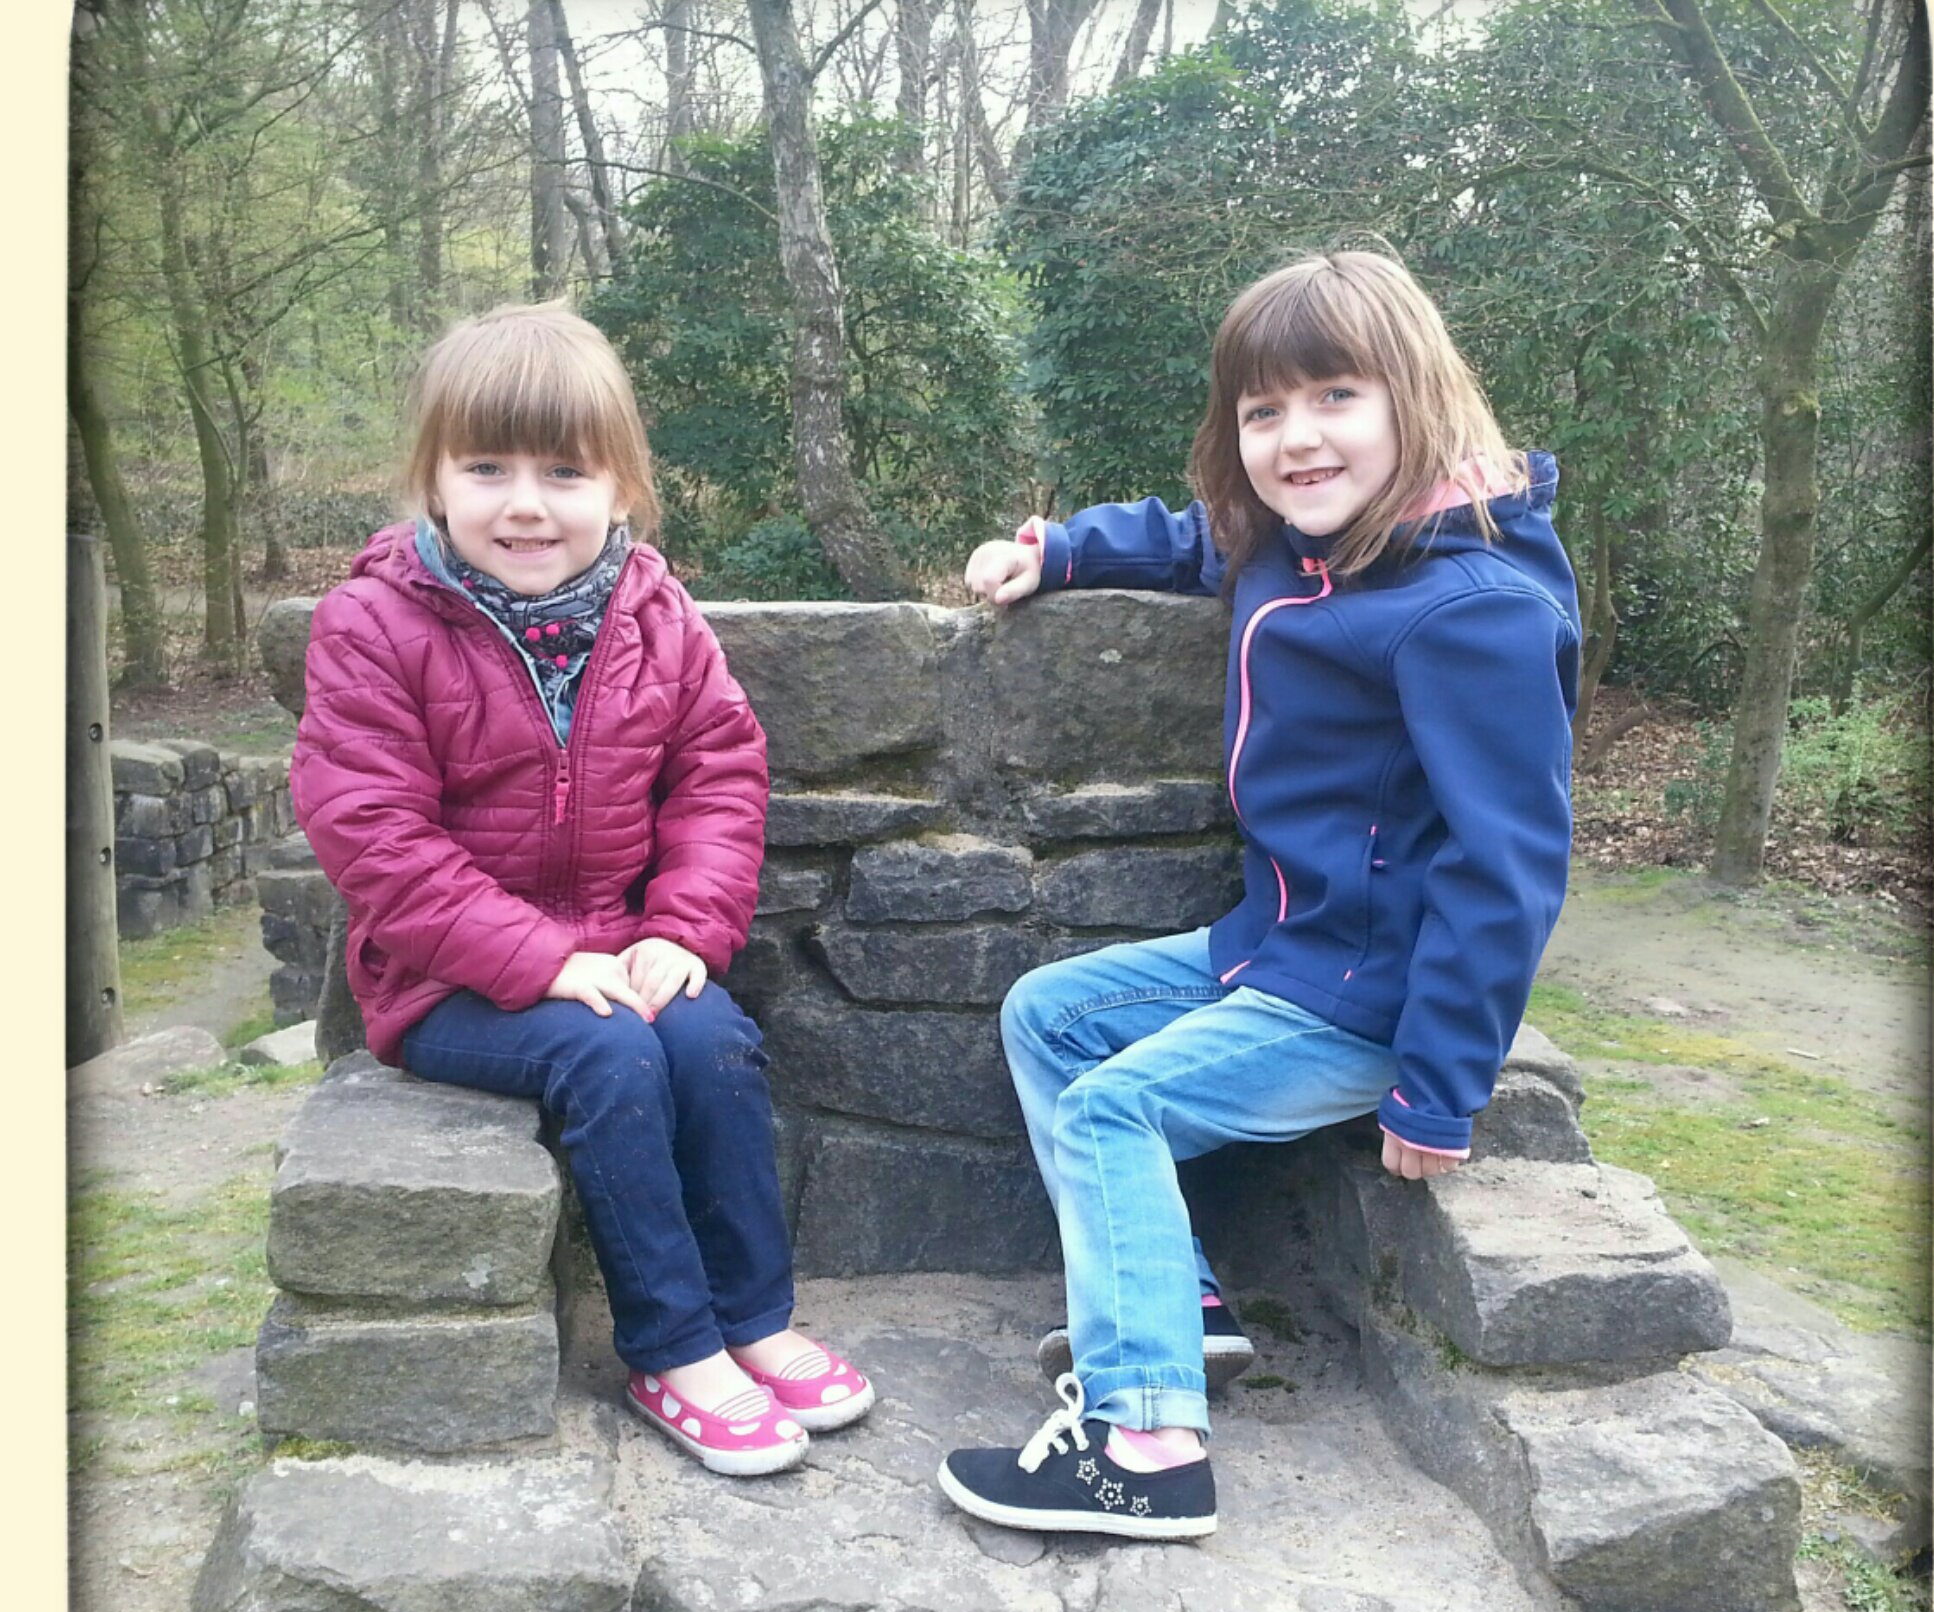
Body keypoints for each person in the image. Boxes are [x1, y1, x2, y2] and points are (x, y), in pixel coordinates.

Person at [937, 251, 1579, 1541]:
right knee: (1049, 1013)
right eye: (1262, 409)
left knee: (1113, 1106)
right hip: (1279, 947)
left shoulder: (1472, 608)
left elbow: (1507, 862)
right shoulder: (1312, 542)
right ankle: (1175, 1306)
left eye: (1335, 396)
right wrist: (1056, 548)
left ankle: (1144, 1444)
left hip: (1367, 998)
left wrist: (1440, 1082)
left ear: (1413, 397)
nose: (1296, 438)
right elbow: (1203, 537)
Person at [291, 300, 874, 1478]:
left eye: (563, 471)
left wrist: (685, 930)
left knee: (709, 1038)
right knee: (608, 1055)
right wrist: (542, 959)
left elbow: (718, 774)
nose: (525, 503)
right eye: (486, 468)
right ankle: (672, 1347)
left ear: (620, 487)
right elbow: (373, 833)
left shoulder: (653, 614)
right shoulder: (373, 623)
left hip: (620, 944)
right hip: (447, 979)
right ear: (433, 478)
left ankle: (753, 1317)